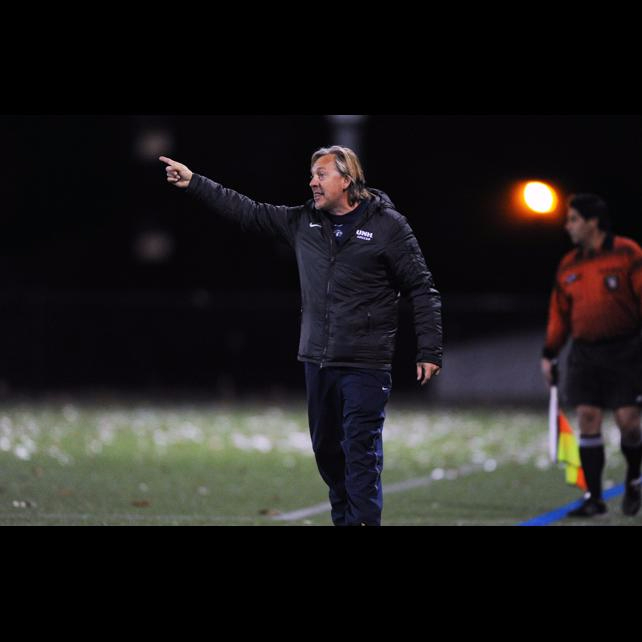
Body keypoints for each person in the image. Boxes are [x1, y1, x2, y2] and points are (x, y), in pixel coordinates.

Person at [160, 145, 443, 526]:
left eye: (321, 174)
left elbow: (422, 288)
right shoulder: (303, 221)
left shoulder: (388, 226)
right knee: (328, 452)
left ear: (347, 179)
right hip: (318, 360)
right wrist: (195, 182)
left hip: (366, 363)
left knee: (359, 452)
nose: (312, 182)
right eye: (312, 175)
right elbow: (248, 211)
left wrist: (429, 349)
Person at [541, 193, 642, 518]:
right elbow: (559, 313)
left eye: (573, 219)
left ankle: (634, 475)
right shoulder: (569, 264)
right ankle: (594, 498)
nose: (567, 226)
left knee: (629, 424)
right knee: (587, 418)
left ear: (592, 221)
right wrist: (550, 352)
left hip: (625, 350)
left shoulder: (627, 252)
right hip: (584, 353)